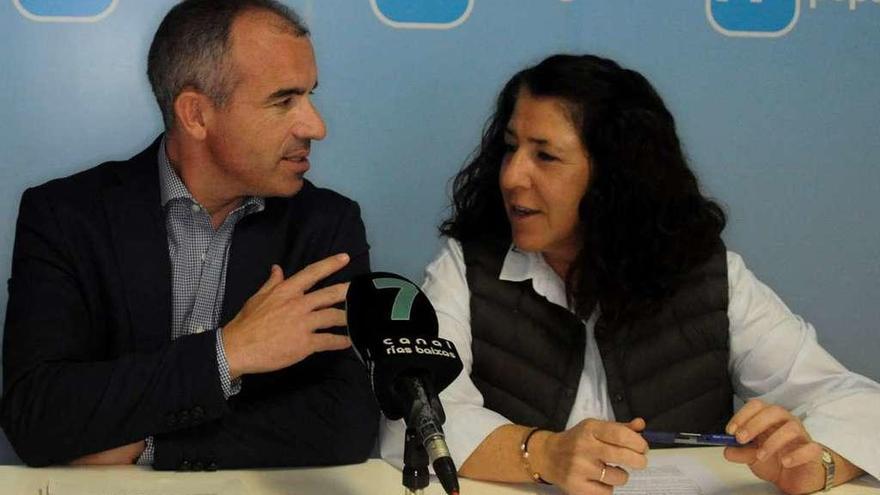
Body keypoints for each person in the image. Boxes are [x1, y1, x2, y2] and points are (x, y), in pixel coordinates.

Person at [380, 54, 880, 494]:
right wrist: (545, 454)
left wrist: (821, 463)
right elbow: (416, 420)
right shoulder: (468, 267)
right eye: (511, 147)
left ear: (616, 175)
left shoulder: (704, 272)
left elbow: (853, 400)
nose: (511, 175)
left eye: (545, 156)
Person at [1, 0, 378, 470]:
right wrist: (229, 353)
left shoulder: (326, 225)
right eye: (284, 101)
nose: (316, 126)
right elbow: (38, 414)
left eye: (310, 95)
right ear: (196, 115)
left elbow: (349, 418)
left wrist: (156, 448)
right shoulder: (65, 216)